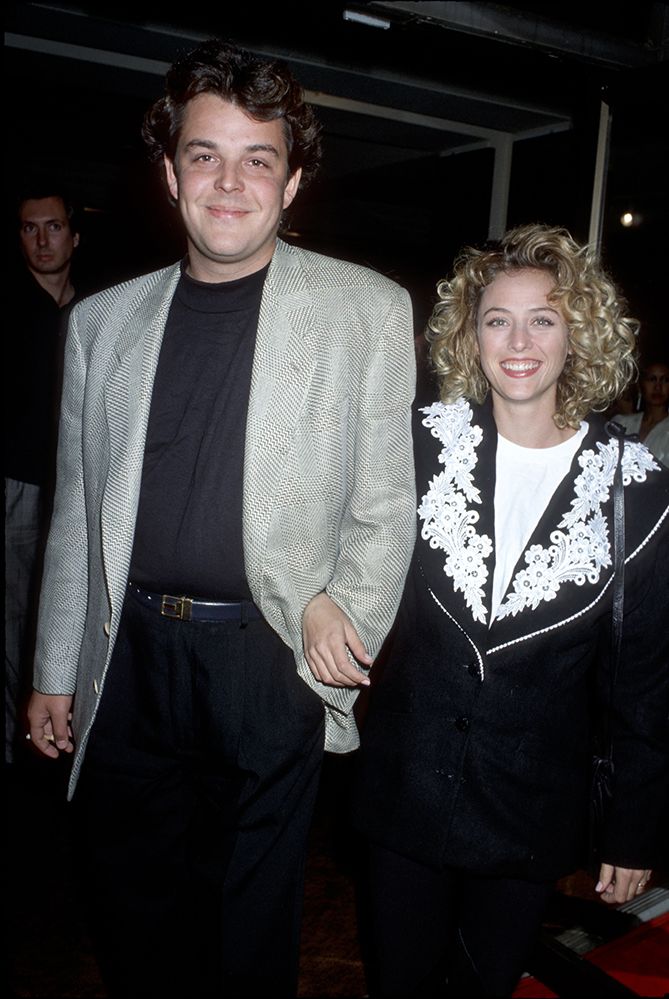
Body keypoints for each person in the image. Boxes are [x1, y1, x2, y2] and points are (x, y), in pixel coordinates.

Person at [25, 38, 416, 999]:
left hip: (266, 655)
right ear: (169, 173)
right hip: (129, 660)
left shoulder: (365, 310)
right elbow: (78, 514)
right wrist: (51, 670)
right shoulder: (100, 324)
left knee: (250, 921)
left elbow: (383, 504)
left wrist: (347, 609)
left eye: (258, 159)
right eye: (205, 154)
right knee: (131, 903)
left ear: (290, 185)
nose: (229, 181)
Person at [352, 223, 669, 997]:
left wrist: (629, 829)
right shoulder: (414, 446)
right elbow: (330, 537)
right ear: (471, 335)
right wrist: (322, 605)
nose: (518, 340)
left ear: (578, 334)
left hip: (528, 812)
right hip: (403, 793)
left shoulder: (634, 485)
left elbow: (644, 682)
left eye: (543, 319)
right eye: (497, 318)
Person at [4, 189, 80, 764]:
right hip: (20, 486)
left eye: (53, 227)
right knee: (18, 617)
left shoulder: (93, 311)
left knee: (66, 609)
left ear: (74, 236)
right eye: (31, 229)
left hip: (76, 491)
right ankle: (16, 742)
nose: (43, 240)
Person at [613, 357, 669, 467]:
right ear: (640, 385)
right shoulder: (621, 423)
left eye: (665, 380)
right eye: (652, 379)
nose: (658, 387)